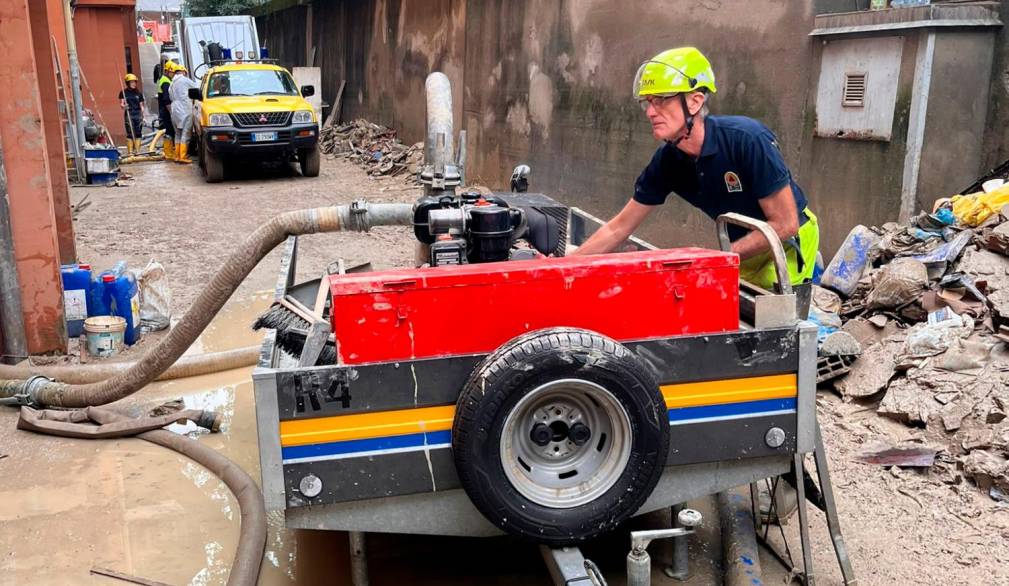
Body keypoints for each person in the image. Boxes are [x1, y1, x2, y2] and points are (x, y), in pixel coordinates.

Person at [572, 47, 818, 290]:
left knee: (765, 314)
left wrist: (719, 258)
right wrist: (564, 266)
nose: (649, 112)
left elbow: (786, 224)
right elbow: (618, 228)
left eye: (661, 100)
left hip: (786, 243)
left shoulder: (747, 139)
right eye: (647, 102)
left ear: (694, 101)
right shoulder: (668, 161)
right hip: (743, 247)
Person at [168, 64, 198, 164]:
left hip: (174, 109)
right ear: (184, 72)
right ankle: (183, 156)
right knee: (186, 133)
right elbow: (197, 88)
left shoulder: (171, 83)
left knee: (178, 133)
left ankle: (176, 156)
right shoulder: (185, 80)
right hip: (185, 108)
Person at [118, 73, 147, 156]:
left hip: (137, 114)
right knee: (130, 133)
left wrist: (142, 115)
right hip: (129, 114)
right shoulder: (123, 93)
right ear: (128, 83)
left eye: (135, 82)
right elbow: (121, 104)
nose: (134, 83)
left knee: (138, 132)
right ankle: (130, 152)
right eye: (132, 82)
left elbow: (141, 105)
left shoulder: (138, 93)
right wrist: (124, 106)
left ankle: (137, 151)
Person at [157, 61, 176, 161]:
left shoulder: (165, 80)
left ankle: (170, 152)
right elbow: (166, 99)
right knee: (169, 131)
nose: (174, 75)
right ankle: (169, 153)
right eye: (173, 72)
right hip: (166, 111)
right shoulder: (165, 82)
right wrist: (171, 112)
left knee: (170, 131)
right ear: (168, 71)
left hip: (164, 110)